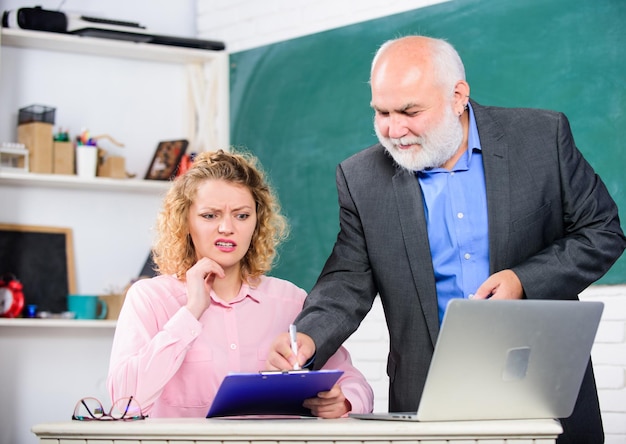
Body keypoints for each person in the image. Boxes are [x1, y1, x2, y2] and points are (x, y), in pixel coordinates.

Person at [267, 36, 626, 443]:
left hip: (542, 383)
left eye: (409, 111)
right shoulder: (360, 179)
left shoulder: (542, 137)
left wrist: (523, 281)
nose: (393, 129)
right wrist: (308, 338)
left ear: (458, 96)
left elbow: (602, 232)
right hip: (429, 400)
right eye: (381, 112)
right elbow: (346, 281)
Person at [107, 149, 373, 418]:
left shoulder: (291, 300)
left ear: (257, 223)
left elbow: (356, 384)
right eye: (210, 215)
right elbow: (124, 401)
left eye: (242, 215)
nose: (227, 228)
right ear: (185, 221)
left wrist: (345, 401)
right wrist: (191, 313)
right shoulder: (149, 299)